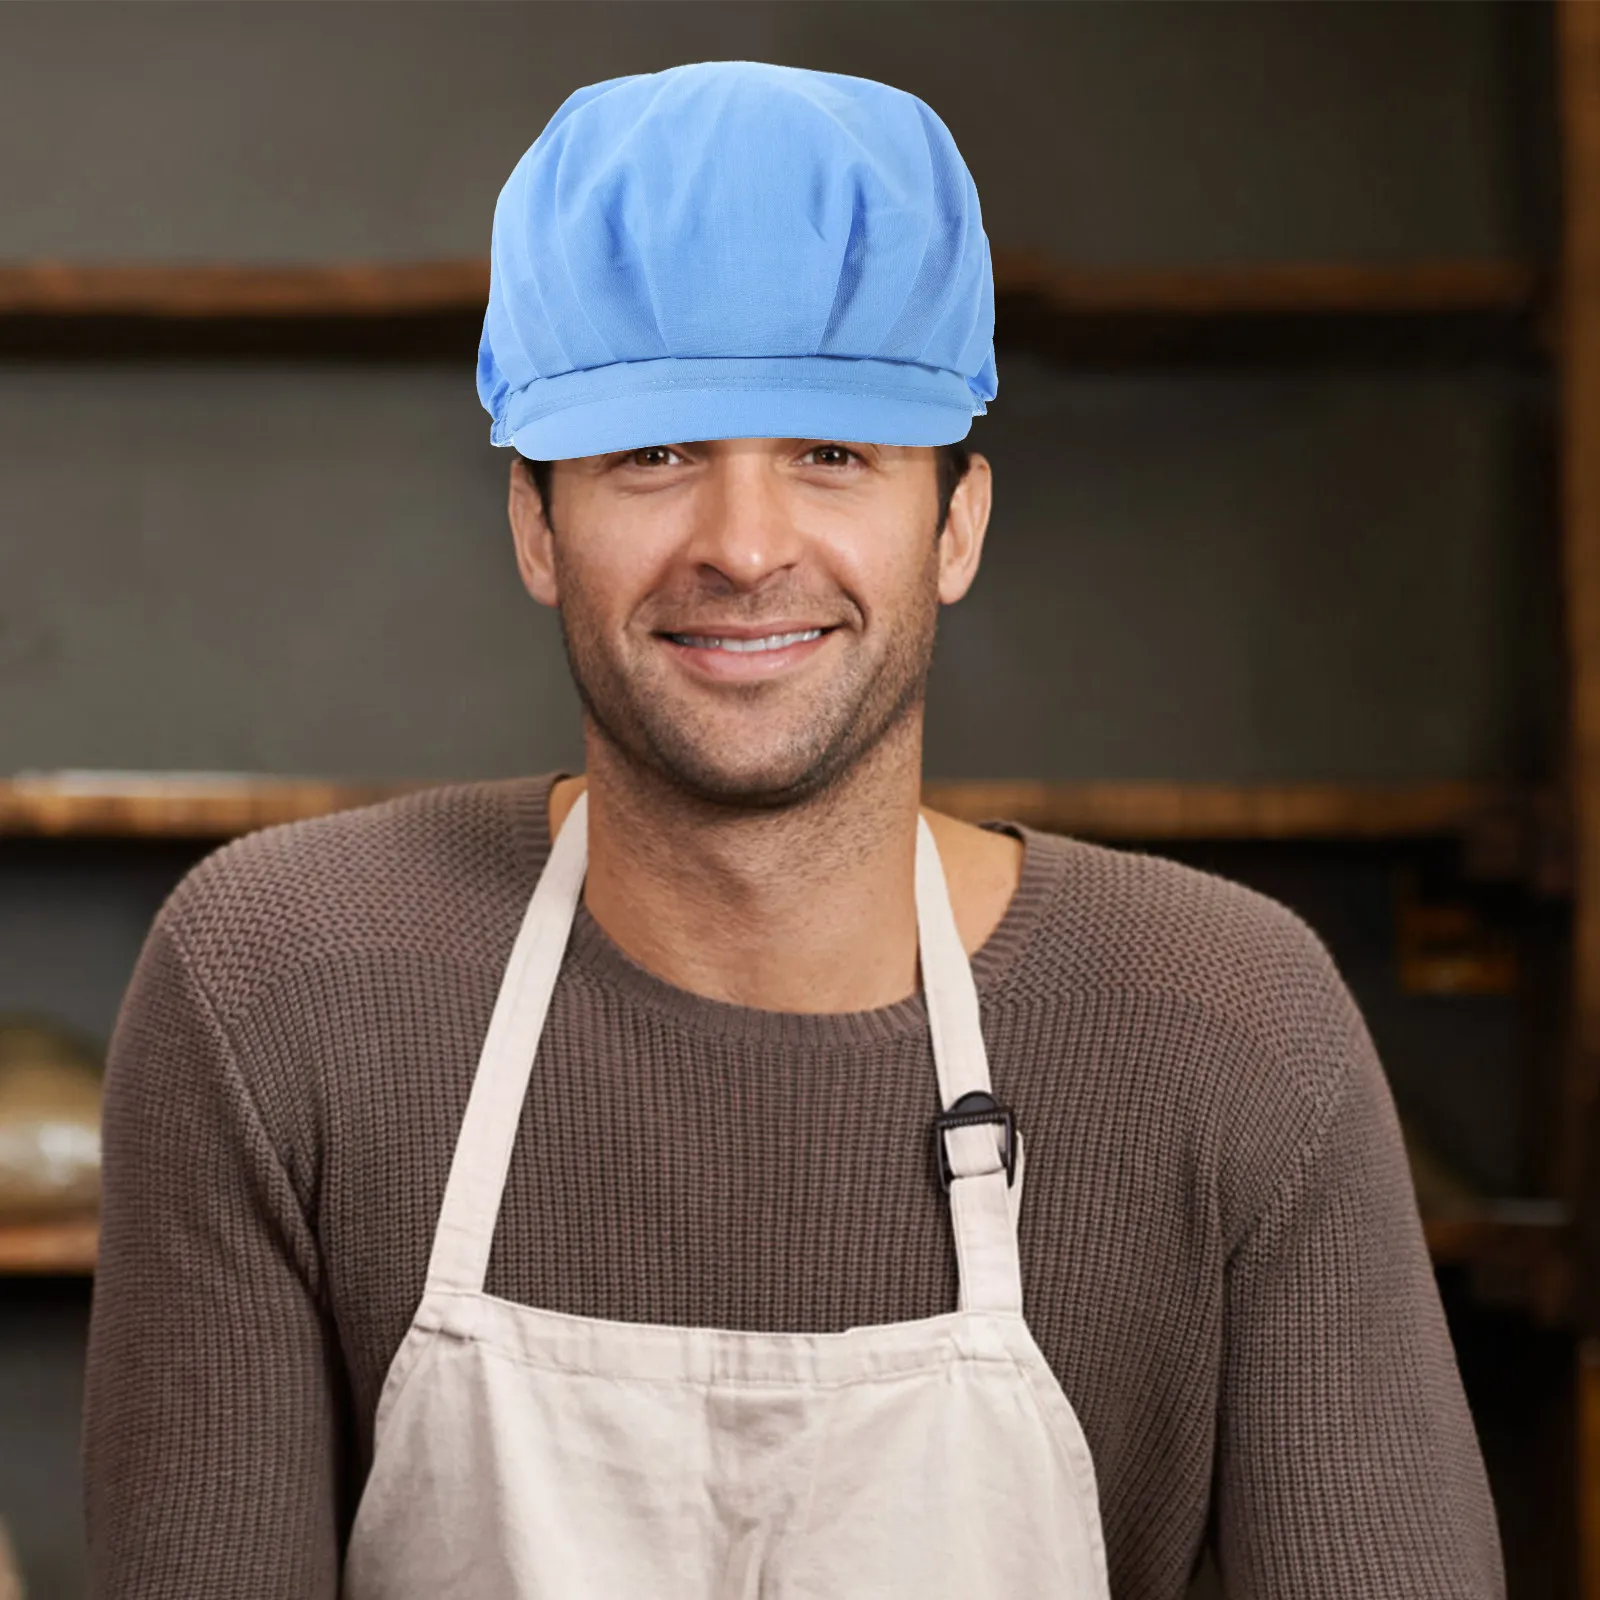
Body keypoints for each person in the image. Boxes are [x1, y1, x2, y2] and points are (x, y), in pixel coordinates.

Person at [83, 59, 1504, 1599]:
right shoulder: (276, 988)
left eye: (833, 451)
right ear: (534, 526)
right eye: (653, 452)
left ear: (955, 523)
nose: (746, 546)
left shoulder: (1232, 1027)